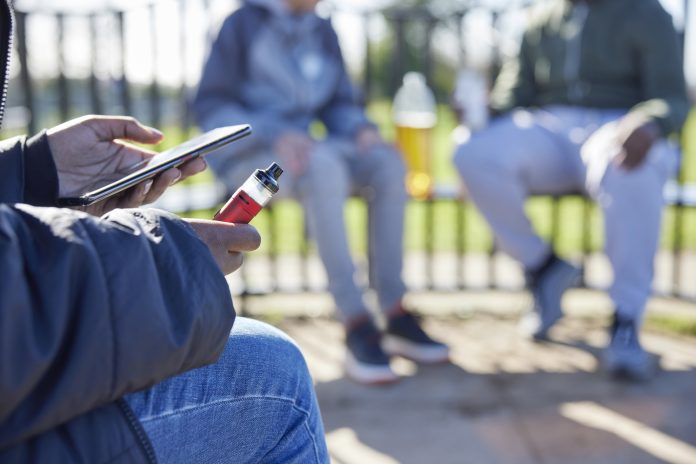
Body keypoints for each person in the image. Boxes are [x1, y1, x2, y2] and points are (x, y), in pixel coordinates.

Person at [0, 1, 328, 462]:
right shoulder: (244, 25)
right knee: (273, 376)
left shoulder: (322, 29)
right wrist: (170, 261)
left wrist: (31, 172)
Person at [194, 0, 449, 385]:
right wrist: (275, 131)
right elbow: (211, 107)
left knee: (387, 162)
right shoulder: (241, 24)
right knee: (325, 164)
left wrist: (360, 128)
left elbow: (339, 105)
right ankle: (356, 321)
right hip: (252, 155)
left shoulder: (322, 30)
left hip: (310, 150)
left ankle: (394, 311)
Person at [454, 0, 689, 381]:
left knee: (632, 166)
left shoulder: (648, 13)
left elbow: (671, 97)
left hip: (618, 124)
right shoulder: (540, 16)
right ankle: (545, 268)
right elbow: (515, 92)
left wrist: (650, 121)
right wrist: (485, 109)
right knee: (471, 151)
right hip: (550, 127)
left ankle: (626, 317)